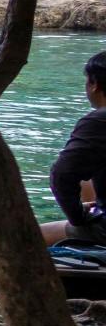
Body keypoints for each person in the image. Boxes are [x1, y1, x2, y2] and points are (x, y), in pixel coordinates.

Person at [42, 51, 106, 245]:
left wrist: (78, 218)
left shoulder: (99, 120)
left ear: (94, 85)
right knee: (86, 180)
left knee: (24, 236)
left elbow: (61, 176)